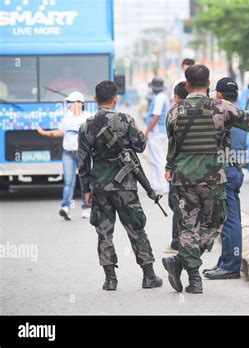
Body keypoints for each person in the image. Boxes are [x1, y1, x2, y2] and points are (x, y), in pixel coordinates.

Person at [162, 64, 249, 294]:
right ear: (209, 84)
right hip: (213, 178)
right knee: (215, 222)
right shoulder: (222, 108)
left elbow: (173, 147)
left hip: (183, 178)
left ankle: (192, 277)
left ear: (187, 84)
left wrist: (169, 167)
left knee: (188, 226)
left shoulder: (174, 111)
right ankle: (183, 264)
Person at [78, 80, 162, 291]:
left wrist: (86, 190)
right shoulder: (125, 120)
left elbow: (82, 163)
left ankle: (110, 279)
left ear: (96, 100)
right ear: (115, 99)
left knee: (104, 231)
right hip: (125, 186)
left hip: (99, 186)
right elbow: (141, 145)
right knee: (136, 228)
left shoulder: (86, 125)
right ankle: (149, 276)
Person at [202, 77, 247, 280]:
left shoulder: (224, 116)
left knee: (229, 220)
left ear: (218, 95)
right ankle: (225, 261)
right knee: (230, 217)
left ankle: (230, 265)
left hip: (227, 171)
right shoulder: (239, 115)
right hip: (235, 170)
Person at [36, 91, 90, 220]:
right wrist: (44, 133)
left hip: (83, 154)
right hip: (68, 154)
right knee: (68, 182)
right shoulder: (67, 117)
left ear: (79, 103)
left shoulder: (88, 118)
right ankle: (66, 207)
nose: (68, 105)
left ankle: (86, 207)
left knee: (85, 182)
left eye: (70, 102)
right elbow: (60, 131)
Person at [163, 81, 189, 254]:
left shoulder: (174, 113)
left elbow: (172, 143)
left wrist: (169, 167)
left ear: (177, 97)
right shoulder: (209, 110)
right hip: (205, 170)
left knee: (176, 203)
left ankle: (176, 243)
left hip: (180, 168)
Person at [145, 78, 170, 195]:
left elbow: (156, 116)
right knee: (156, 159)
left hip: (157, 132)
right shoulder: (162, 97)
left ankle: (162, 186)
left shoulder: (159, 98)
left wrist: (147, 131)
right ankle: (159, 185)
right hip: (160, 132)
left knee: (158, 160)